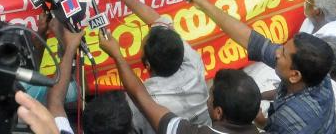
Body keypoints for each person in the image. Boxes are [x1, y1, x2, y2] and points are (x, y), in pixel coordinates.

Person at [181, 0, 336, 134]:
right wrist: (203, 3)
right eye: (281, 48)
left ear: (295, 75)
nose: (276, 53)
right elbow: (252, 41)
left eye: (282, 53)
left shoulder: (291, 122)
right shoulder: (316, 75)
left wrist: (262, 123)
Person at [102, 0, 210, 133]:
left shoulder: (142, 103)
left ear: (147, 64)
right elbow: (157, 20)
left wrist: (116, 55)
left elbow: (136, 92)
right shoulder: (192, 62)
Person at [99, 32, 262, 134]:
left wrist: (117, 55)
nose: (206, 98)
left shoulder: (190, 132)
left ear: (219, 112)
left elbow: (140, 95)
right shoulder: (193, 64)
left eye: (210, 97)